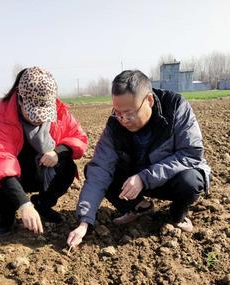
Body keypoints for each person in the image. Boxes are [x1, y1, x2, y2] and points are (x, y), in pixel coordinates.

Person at [67, 69, 211, 248]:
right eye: (118, 113)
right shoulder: (115, 125)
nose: (124, 120)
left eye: (129, 113)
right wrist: (84, 222)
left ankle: (177, 216)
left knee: (190, 181)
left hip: (169, 180)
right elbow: (100, 170)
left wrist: (144, 177)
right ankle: (139, 207)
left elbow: (191, 154)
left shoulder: (175, 108)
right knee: (94, 170)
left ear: (149, 101)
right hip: (135, 181)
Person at [0, 67, 87, 235]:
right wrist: (24, 205)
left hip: (37, 167)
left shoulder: (59, 110)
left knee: (67, 166)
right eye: (33, 113)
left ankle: (42, 205)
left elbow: (78, 138)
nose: (38, 119)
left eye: (43, 114)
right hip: (11, 172)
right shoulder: (1, 114)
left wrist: (58, 152)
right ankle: (5, 213)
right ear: (20, 98)